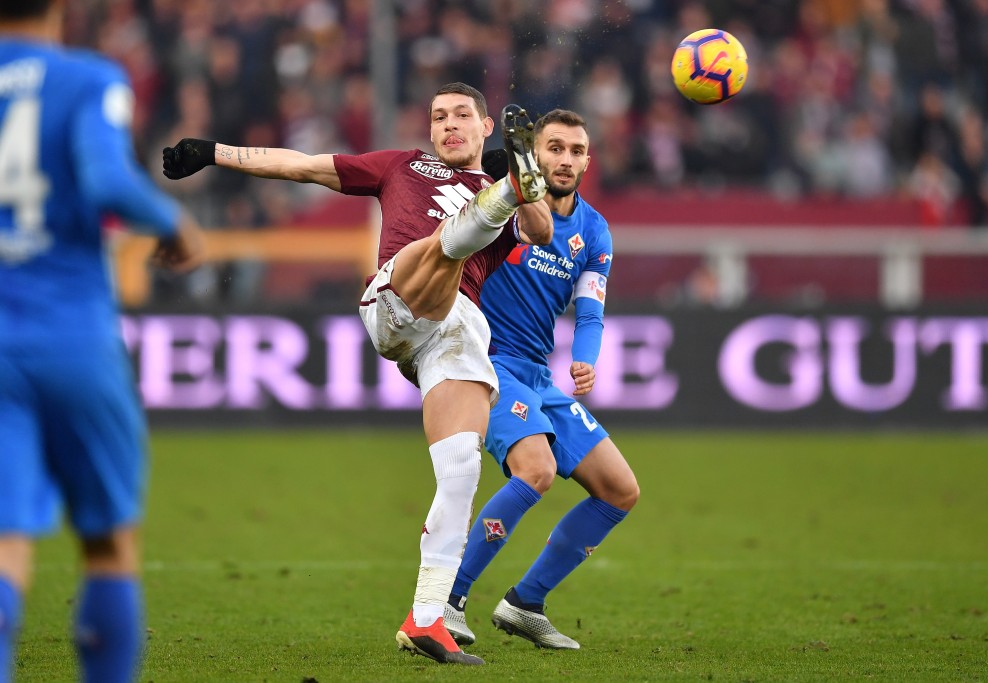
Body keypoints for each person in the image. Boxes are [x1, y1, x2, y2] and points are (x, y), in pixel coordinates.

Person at [161, 82, 553, 665]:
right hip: (398, 296)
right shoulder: (401, 166)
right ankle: (487, 211)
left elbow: (543, 231)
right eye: (438, 116)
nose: (449, 125)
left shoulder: (510, 192)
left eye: (461, 116)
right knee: (447, 247)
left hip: (456, 334)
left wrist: (524, 191)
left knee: (462, 470)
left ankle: (426, 619)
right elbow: (302, 167)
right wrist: (214, 151)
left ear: (487, 126)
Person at [0, 1, 206, 681]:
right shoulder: (88, 78)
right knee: (108, 541)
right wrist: (173, 222)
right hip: (73, 336)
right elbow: (108, 180)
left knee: (6, 545)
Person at [441, 109, 640, 649]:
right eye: (555, 148)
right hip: (491, 363)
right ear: (536, 154)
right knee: (536, 469)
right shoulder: (505, 206)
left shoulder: (595, 229)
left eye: (576, 151)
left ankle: (525, 602)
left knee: (619, 491)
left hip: (538, 374)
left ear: (587, 161)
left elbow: (591, 310)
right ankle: (448, 600)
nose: (566, 160)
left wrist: (586, 359)